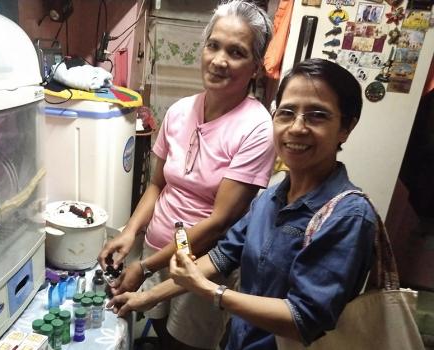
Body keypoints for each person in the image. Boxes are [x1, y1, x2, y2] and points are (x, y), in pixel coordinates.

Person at [110, 58, 377, 350]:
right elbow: (221, 257)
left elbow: (305, 318)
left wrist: (212, 292)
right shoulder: (273, 197)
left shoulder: (349, 216)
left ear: (346, 128)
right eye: (287, 113)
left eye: (317, 116)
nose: (297, 127)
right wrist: (145, 296)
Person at [98, 1, 275, 349]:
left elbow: (218, 222)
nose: (219, 60)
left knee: (185, 344)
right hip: (155, 248)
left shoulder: (256, 128)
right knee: (159, 330)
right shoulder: (180, 112)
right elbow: (157, 184)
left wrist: (146, 267)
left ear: (255, 67)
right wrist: (130, 232)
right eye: (214, 45)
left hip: (200, 266)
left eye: (236, 52)